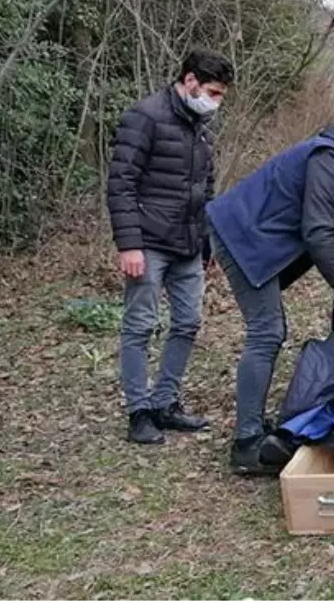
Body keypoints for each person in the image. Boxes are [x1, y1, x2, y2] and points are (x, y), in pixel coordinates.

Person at [205, 117, 334, 474]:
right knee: (267, 333)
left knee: (269, 332)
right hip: (243, 239)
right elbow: (318, 233)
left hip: (261, 240)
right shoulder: (332, 159)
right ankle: (246, 445)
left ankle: (254, 428)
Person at [107, 49, 234, 445]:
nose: (215, 101)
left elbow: (206, 189)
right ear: (190, 80)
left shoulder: (200, 127)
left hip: (189, 244)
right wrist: (129, 245)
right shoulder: (144, 117)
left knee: (188, 322)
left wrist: (208, 243)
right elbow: (121, 184)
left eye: (221, 96)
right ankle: (138, 411)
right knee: (140, 326)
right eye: (212, 92)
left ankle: (165, 402)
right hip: (148, 243)